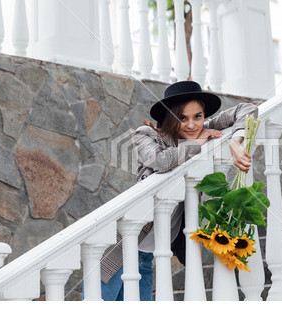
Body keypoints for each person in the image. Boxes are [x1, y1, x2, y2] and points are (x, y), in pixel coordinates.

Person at [99, 80, 258, 300]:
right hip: (121, 249)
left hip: (146, 256)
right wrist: (199, 142)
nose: (191, 125)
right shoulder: (146, 135)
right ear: (169, 117)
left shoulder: (202, 128)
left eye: (198, 116)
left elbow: (247, 109)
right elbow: (160, 161)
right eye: (182, 117)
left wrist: (235, 141)